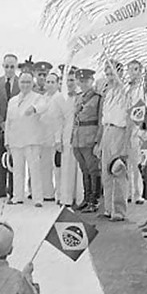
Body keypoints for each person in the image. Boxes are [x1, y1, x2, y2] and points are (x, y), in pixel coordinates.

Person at [4, 71, 45, 207]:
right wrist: (7, 141)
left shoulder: (38, 98)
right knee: (17, 170)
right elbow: (8, 122)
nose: (25, 85)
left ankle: (38, 198)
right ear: (18, 83)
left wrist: (34, 109)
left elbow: (44, 107)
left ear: (32, 83)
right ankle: (17, 196)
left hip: (31, 140)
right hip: (16, 140)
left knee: (34, 170)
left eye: (28, 82)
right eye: (22, 82)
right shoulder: (13, 100)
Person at [96, 61, 129, 221]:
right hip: (107, 130)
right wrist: (100, 142)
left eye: (113, 74)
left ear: (120, 74)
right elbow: (103, 118)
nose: (110, 77)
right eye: (107, 74)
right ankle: (108, 208)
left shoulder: (125, 92)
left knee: (118, 170)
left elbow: (130, 119)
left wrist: (125, 144)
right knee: (106, 171)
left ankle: (119, 210)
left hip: (119, 130)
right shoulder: (108, 92)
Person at [71, 69, 101, 212]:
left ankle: (94, 201)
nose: (82, 84)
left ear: (92, 81)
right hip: (77, 137)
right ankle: (86, 198)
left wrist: (97, 141)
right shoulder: (78, 97)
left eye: (85, 81)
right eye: (80, 81)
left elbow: (100, 120)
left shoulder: (97, 98)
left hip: (90, 137)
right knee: (84, 170)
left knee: (93, 169)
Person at [0, 54, 19, 199]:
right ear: (3, 66)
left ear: (16, 66)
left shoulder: (22, 83)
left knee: (14, 159)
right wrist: (1, 122)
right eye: (6, 66)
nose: (9, 69)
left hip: (16, 128)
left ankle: (14, 189)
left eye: (12, 66)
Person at [59, 67, 83, 207]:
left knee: (79, 168)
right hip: (66, 135)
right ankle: (66, 198)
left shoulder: (81, 97)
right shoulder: (63, 97)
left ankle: (79, 198)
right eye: (67, 80)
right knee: (66, 168)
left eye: (72, 80)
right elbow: (59, 120)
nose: (70, 83)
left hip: (79, 135)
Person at [39, 72, 64, 202]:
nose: (49, 84)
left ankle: (59, 195)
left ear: (57, 83)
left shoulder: (60, 98)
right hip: (43, 138)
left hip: (55, 138)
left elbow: (60, 120)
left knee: (57, 168)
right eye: (47, 82)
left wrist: (58, 139)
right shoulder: (42, 98)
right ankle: (47, 193)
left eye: (52, 82)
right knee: (44, 167)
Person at [125, 59, 145, 205]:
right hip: (126, 127)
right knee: (127, 163)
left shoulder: (143, 90)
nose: (132, 72)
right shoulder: (126, 90)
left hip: (138, 128)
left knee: (137, 163)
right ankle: (129, 192)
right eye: (130, 69)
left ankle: (138, 194)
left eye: (135, 69)